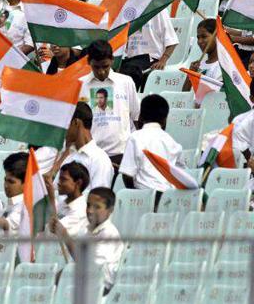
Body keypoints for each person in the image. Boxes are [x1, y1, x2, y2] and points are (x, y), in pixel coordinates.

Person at [79, 40, 140, 169]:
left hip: (121, 154)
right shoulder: (79, 85)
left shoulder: (126, 82)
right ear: (89, 62)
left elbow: (136, 117)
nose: (101, 72)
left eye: (105, 66)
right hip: (92, 156)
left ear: (112, 60)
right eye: (96, 67)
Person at [49, 187, 123, 291]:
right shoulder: (85, 230)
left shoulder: (109, 234)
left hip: (99, 289)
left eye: (97, 207)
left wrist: (65, 235)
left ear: (110, 210)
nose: (90, 211)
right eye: (88, 205)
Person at [120, 95, 185, 203]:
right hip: (167, 199)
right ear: (164, 120)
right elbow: (180, 173)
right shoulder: (172, 143)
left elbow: (127, 175)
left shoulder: (135, 137)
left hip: (143, 197)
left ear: (140, 116)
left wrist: (134, 196)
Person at [122, 9, 179, 89]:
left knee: (130, 72)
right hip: (131, 60)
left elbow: (172, 41)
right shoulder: (130, 9)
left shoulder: (159, 10)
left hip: (150, 59)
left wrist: (162, 60)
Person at [62, 102, 114, 189]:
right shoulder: (69, 157)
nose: (62, 129)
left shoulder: (100, 160)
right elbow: (56, 191)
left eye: (65, 124)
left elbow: (98, 199)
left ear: (76, 123)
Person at [183, 19, 222, 91]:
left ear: (217, 36)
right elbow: (184, 94)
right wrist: (191, 74)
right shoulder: (197, 66)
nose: (199, 41)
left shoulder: (223, 66)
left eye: (204, 37)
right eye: (198, 38)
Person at [56, 162, 90, 236]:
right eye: (59, 179)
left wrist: (51, 198)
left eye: (63, 179)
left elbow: (54, 230)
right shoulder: (63, 203)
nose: (58, 183)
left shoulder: (81, 211)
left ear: (78, 183)